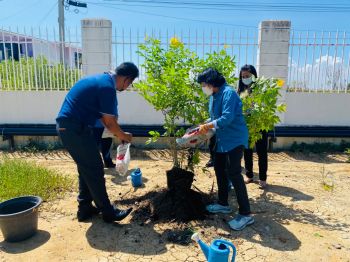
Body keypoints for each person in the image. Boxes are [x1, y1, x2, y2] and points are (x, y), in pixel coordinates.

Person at [56, 62, 139, 223]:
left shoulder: (99, 80)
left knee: (86, 167)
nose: (127, 87)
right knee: (94, 168)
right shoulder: (107, 88)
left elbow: (106, 120)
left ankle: (85, 208)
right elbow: (109, 123)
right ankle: (108, 212)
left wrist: (118, 133)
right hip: (74, 128)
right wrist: (124, 135)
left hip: (71, 127)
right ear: (127, 79)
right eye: (130, 83)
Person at [197, 68, 254, 231]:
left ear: (211, 82)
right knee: (220, 169)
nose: (203, 87)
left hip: (235, 139)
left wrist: (208, 125)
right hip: (222, 139)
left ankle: (246, 214)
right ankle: (223, 203)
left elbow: (227, 118)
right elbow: (215, 118)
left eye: (203, 84)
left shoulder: (229, 93)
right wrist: (204, 126)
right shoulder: (214, 96)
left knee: (234, 173)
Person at [238, 64, 268, 189]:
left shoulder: (261, 89)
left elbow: (266, 106)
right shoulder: (239, 90)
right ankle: (249, 175)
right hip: (247, 124)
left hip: (260, 124)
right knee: (247, 151)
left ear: (254, 76)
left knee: (262, 152)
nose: (245, 78)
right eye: (243, 76)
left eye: (248, 76)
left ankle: (262, 178)